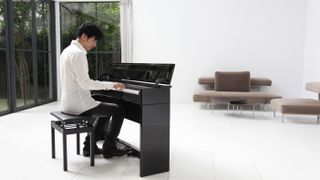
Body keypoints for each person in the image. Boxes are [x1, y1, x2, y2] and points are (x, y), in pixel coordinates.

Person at [59, 23, 128, 158]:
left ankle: (89, 146)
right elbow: (85, 84)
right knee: (119, 110)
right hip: (78, 104)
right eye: (93, 40)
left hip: (67, 103)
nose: (94, 44)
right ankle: (109, 147)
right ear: (84, 36)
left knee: (106, 107)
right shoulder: (78, 54)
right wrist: (112, 85)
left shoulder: (66, 51)